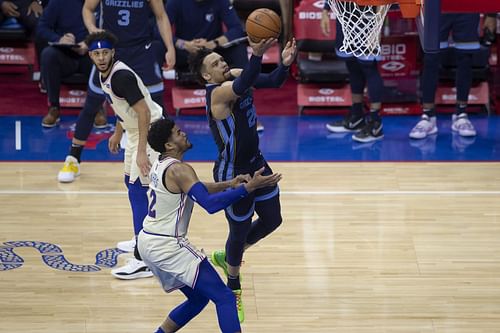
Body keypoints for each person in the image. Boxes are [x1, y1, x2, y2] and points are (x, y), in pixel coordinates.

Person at [188, 36, 297, 322]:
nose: (223, 64)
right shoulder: (217, 94)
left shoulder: (236, 75)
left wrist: (284, 65)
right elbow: (243, 82)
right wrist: (257, 55)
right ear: (204, 75)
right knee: (238, 232)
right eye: (215, 63)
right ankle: (233, 284)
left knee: (273, 220)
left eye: (222, 60)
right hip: (233, 174)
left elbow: (271, 81)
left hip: (257, 162)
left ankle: (229, 256)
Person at [140, 118, 282, 333]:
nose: (184, 134)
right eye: (178, 133)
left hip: (148, 242)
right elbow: (208, 204)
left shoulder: (161, 165)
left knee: (198, 300)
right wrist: (248, 188)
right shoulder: (180, 170)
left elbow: (195, 188)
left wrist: (229, 184)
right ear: (169, 145)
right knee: (225, 297)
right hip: (168, 246)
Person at [57, 0, 175, 186]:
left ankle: (171, 160)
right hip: (110, 50)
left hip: (140, 51)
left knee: (157, 107)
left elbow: (161, 16)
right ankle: (73, 158)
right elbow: (88, 9)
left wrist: (170, 47)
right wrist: (92, 28)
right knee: (93, 103)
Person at [84, 30, 162, 279]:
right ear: (91, 56)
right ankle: (140, 236)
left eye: (105, 52)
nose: (101, 57)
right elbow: (123, 107)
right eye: (97, 53)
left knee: (140, 190)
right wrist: (118, 133)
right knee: (131, 185)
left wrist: (141, 152)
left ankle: (143, 258)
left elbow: (144, 113)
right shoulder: (103, 74)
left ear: (113, 53)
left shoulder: (122, 77)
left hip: (150, 131)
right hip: (134, 131)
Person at [409, 13, 480, 140]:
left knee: (465, 57)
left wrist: (491, 15)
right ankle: (428, 115)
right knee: (430, 57)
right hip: (437, 7)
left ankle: (461, 114)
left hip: (467, 7)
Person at [321, 2, 385, 143]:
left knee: (369, 66)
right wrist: (326, 9)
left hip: (368, 16)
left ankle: (376, 123)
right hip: (345, 14)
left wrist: (378, 28)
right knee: (352, 64)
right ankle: (357, 116)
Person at [36, 0, 96, 128]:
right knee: (48, 54)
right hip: (66, 53)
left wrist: (89, 43)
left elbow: (108, 28)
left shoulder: (100, 3)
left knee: (102, 56)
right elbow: (42, 27)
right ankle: (54, 108)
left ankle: (97, 108)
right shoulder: (59, 2)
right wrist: (59, 39)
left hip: (90, 53)